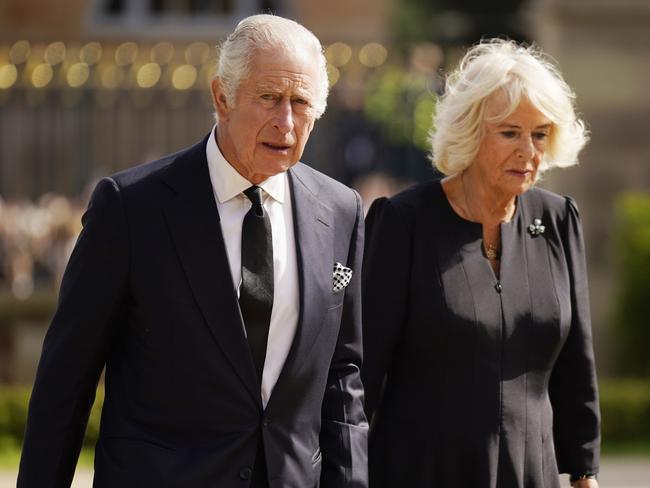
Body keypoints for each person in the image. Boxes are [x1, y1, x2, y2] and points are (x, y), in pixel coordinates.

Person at [18, 14, 367, 487]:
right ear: (222, 97)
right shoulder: (131, 208)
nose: (286, 121)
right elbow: (67, 380)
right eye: (268, 97)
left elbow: (341, 377)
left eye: (300, 103)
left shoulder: (341, 210)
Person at [361, 39, 600, 488]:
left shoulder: (558, 219)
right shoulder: (403, 222)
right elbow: (362, 370)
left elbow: (576, 364)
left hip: (532, 470)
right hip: (421, 469)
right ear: (470, 131)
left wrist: (583, 471)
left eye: (540, 133)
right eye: (510, 132)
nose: (528, 151)